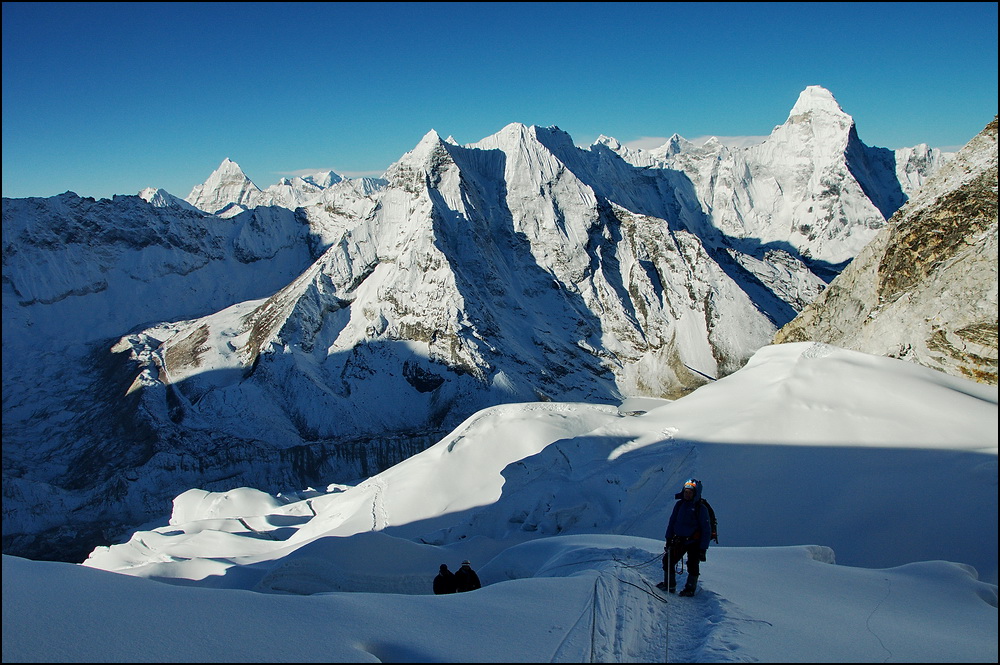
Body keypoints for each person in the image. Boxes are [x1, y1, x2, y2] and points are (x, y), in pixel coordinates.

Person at [659, 478, 711, 596]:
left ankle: (690, 589)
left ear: (695, 493)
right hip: (679, 540)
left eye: (690, 492)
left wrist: (703, 549)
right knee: (668, 560)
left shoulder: (701, 509)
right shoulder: (679, 505)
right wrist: (668, 538)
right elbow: (672, 522)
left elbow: (706, 530)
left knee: (692, 565)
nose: (687, 494)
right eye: (685, 492)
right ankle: (670, 585)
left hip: (694, 543)